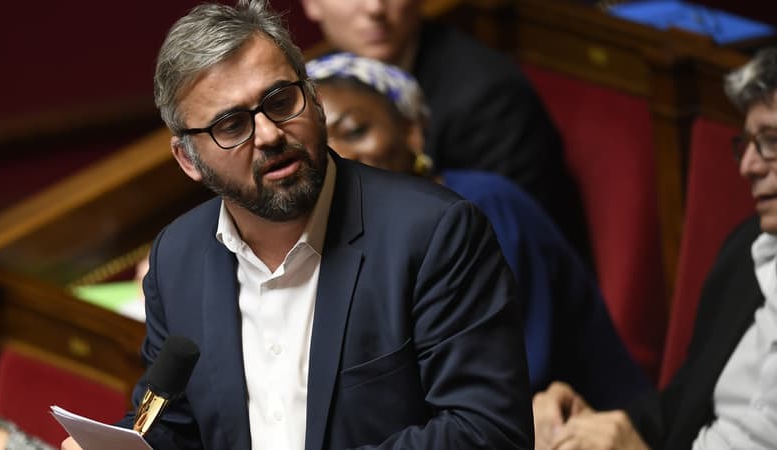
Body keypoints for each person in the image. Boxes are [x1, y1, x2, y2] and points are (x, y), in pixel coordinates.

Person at [61, 1, 533, 449]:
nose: (268, 134)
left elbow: (486, 430)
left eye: (281, 100)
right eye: (230, 125)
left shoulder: (433, 233)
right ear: (187, 159)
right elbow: (176, 425)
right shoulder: (177, 257)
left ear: (314, 98)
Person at [305, 51, 650, 408]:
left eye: (355, 131)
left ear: (412, 133)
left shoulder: (483, 207)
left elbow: (513, 378)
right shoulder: (347, 234)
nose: (339, 156)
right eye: (320, 145)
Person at [532, 47, 777, 450]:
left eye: (769, 141)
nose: (747, 165)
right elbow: (680, 406)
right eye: (747, 143)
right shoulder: (747, 248)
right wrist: (590, 421)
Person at [298, 0, 593, 265]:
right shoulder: (315, 80)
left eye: (355, 131)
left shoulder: (489, 98)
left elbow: (505, 248)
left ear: (412, 131)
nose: (374, 8)